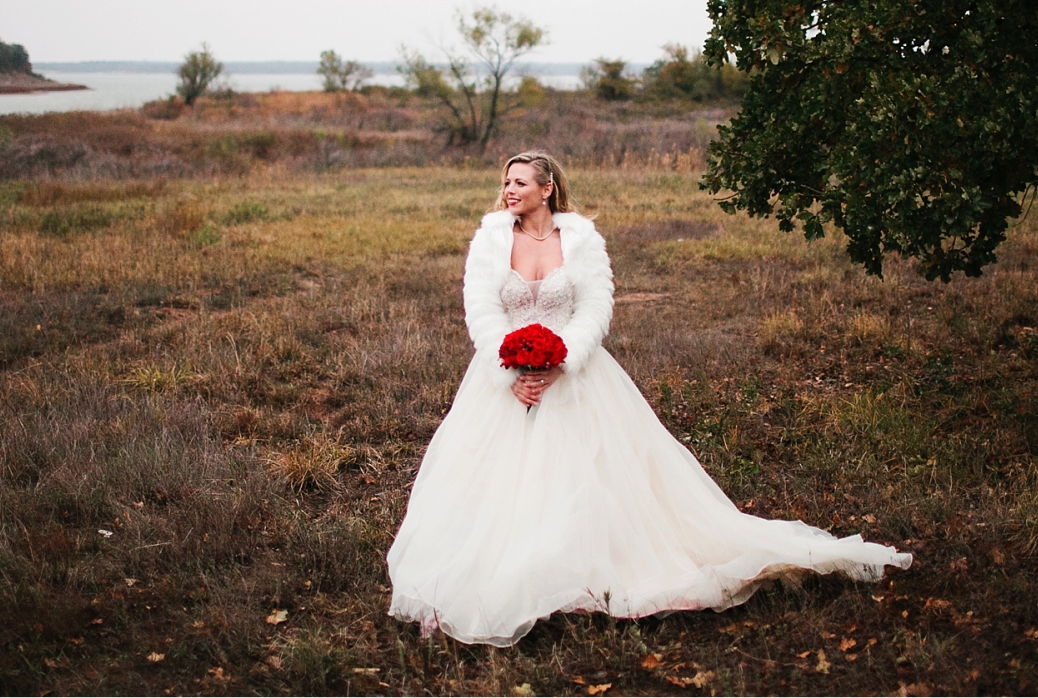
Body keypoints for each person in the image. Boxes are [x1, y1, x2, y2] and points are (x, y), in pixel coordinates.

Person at [387, 151, 911, 647]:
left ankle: (585, 574)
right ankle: (500, 575)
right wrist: (513, 370)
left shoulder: (583, 240)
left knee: (584, 481)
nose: (509, 190)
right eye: (505, 182)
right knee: (492, 487)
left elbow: (596, 307)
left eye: (519, 182)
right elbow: (480, 308)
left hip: (576, 376)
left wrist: (559, 359)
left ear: (547, 189)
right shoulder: (490, 239)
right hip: (503, 377)